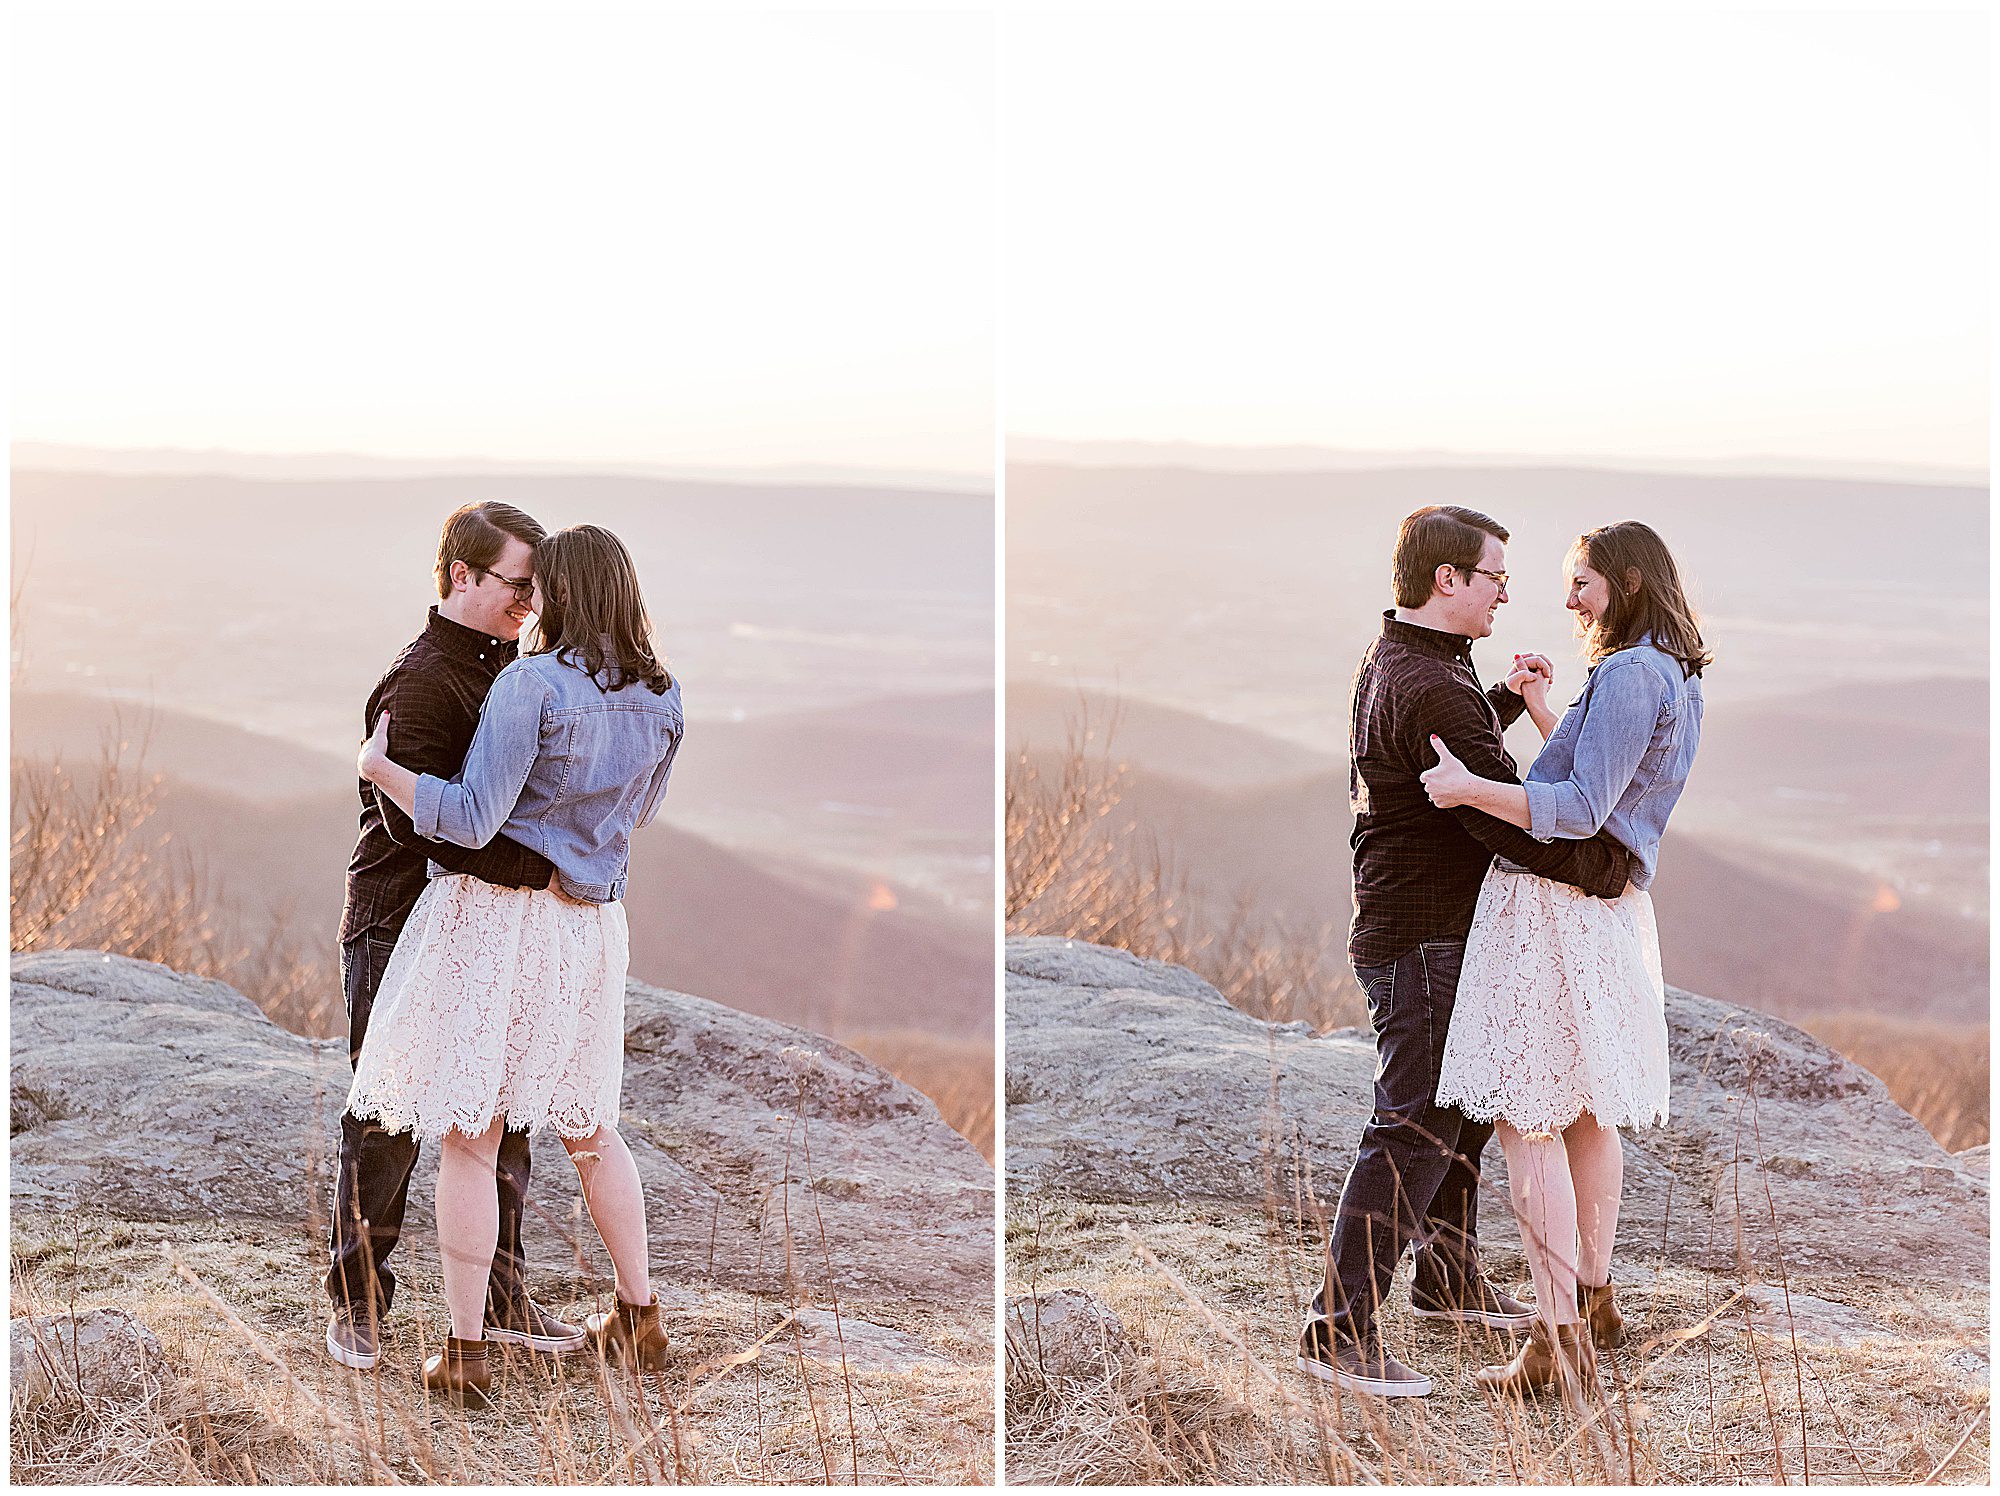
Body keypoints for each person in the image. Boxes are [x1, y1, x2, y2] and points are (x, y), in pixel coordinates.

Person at [1298, 505, 1634, 1400]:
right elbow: (1505, 823)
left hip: (1419, 926)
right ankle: (1338, 1330)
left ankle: (1444, 1283)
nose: (1505, 596)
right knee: (1414, 1122)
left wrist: (1497, 707)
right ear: (1446, 581)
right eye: (1494, 579)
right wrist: (1607, 868)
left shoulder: (1405, 659)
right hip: (1425, 936)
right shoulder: (1435, 683)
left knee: (1468, 1105)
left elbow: (1437, 753)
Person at [347, 523, 685, 1407]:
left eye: (540, 589)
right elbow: (637, 811)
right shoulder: (664, 693)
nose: (529, 603)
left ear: (563, 592)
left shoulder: (530, 684)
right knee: (590, 1129)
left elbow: (465, 818)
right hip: (592, 928)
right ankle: (639, 1317)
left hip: (501, 924)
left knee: (471, 1136)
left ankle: (463, 1352)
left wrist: (379, 768)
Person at [1423, 520, 1708, 1398]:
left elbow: (1582, 808)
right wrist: (1547, 710)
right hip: (1608, 911)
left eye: (1580, 581)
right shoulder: (1674, 672)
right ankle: (1593, 1300)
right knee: (1587, 1112)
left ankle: (1553, 1340)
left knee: (1529, 1119)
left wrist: (1469, 789)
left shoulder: (1627, 673)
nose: (1569, 597)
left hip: (1555, 912)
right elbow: (1610, 779)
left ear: (1621, 581)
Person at [326, 501, 582, 1373]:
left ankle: (502, 1296)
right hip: (397, 919)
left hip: (483, 923)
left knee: (501, 1110)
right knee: (389, 1117)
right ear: (460, 576)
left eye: (536, 590)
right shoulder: (425, 681)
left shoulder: (519, 670)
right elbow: (422, 830)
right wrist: (543, 871)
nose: (528, 603)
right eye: (517, 584)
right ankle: (358, 1304)